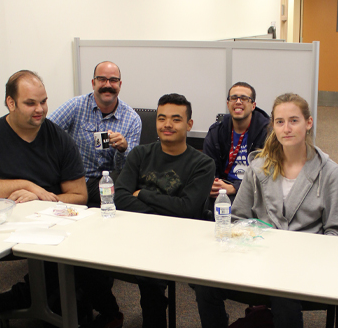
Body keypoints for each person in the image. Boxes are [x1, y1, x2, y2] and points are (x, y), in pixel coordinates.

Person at [194, 93, 338, 328]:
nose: (286, 128)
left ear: (308, 123)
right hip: (259, 256)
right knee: (204, 284)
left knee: (283, 293)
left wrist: (303, 256)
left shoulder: (329, 172)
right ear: (273, 126)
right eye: (280, 122)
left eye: (294, 121)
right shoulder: (258, 167)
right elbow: (237, 219)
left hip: (303, 263)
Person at [0, 70, 90, 326]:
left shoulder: (59, 139)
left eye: (43, 101)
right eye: (30, 103)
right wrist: (24, 184)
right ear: (11, 102)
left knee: (79, 267)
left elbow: (80, 196)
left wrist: (40, 198)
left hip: (50, 226)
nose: (40, 109)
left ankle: (8, 302)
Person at [114, 93, 215, 327]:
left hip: (177, 238)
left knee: (149, 277)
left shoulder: (202, 164)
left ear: (189, 124)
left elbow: (188, 209)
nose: (167, 125)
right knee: (87, 266)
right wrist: (164, 210)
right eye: (161, 118)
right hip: (135, 230)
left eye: (176, 119)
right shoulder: (140, 154)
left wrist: (144, 194)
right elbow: (119, 197)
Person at [49, 61, 142, 206]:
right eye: (102, 79)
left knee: (126, 197)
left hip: (109, 181)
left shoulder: (132, 119)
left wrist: (123, 149)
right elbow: (45, 130)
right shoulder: (76, 106)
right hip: (76, 180)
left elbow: (128, 170)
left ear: (120, 84)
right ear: (93, 83)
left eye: (113, 80)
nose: (108, 85)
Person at [203, 82, 270, 213]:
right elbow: (207, 166)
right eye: (234, 98)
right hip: (222, 190)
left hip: (254, 191)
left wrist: (235, 187)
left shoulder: (267, 133)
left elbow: (267, 175)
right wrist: (212, 184)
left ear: (253, 106)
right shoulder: (216, 132)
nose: (238, 102)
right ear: (228, 104)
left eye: (244, 98)